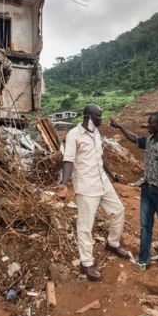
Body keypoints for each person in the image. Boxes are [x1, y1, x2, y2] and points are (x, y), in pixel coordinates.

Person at [57, 104, 130, 282]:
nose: (101, 119)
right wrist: (64, 184)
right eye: (99, 116)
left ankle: (112, 243)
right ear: (89, 116)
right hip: (87, 185)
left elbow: (100, 157)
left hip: (103, 182)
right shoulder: (74, 134)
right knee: (85, 225)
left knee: (118, 210)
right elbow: (68, 160)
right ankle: (86, 263)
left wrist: (111, 174)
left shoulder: (96, 133)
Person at [110, 112, 158, 273]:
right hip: (147, 191)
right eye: (148, 123)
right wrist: (120, 127)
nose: (148, 126)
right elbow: (134, 138)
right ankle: (143, 259)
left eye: (151, 124)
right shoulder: (149, 140)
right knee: (145, 227)